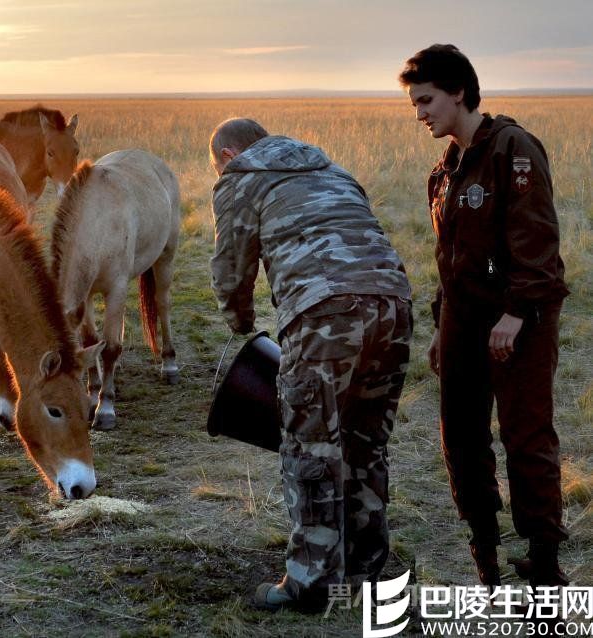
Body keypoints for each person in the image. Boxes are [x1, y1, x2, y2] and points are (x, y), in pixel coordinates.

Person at [209, 117, 413, 612]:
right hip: (393, 305)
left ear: (229, 155)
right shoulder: (332, 169)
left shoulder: (240, 178)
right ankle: (365, 571)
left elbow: (231, 269)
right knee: (366, 440)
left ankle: (312, 583)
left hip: (325, 314)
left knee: (310, 446)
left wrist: (240, 320)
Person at [398, 44, 570, 588]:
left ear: (459, 92)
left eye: (426, 100)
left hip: (518, 321)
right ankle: (487, 557)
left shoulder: (512, 149)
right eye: (414, 104)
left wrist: (517, 313)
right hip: (463, 320)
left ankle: (544, 564)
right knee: (462, 437)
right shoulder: (444, 169)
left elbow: (537, 240)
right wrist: (441, 323)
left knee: (525, 436)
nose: (420, 113)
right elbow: (451, 258)